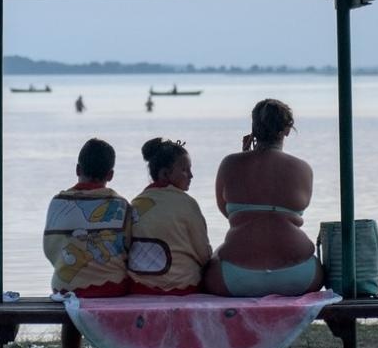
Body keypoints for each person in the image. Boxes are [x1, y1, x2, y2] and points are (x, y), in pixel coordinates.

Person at [200, 98, 324, 297]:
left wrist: (244, 157)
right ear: (287, 129)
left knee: (213, 261)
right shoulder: (303, 168)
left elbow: (227, 212)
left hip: (235, 277)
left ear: (254, 128)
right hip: (300, 275)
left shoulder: (230, 164)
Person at [42, 137, 129, 348]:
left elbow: (50, 248)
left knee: (71, 303)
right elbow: (128, 248)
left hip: (68, 286)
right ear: (110, 175)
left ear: (78, 169)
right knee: (120, 312)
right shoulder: (120, 204)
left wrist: (66, 266)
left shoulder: (59, 202)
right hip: (113, 287)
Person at [128, 138, 212, 295]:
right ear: (165, 174)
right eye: (185, 170)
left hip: (140, 286)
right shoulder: (187, 203)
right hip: (183, 286)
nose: (191, 175)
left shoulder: (136, 203)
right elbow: (204, 254)